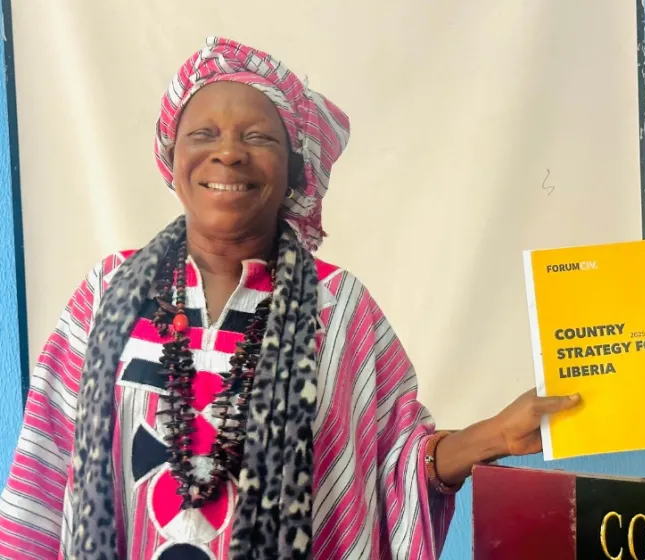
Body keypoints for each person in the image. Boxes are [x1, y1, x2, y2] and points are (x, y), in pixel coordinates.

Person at [0, 37, 579, 560]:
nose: (228, 153)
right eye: (204, 133)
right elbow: (44, 474)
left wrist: (494, 437)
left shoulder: (339, 307)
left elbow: (393, 468)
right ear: (171, 157)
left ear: (296, 167)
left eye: (257, 137)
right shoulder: (106, 294)